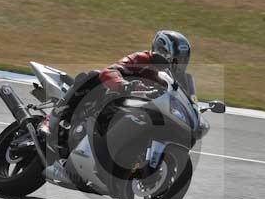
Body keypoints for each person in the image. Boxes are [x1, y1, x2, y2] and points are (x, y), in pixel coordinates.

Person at [43, 30, 192, 156]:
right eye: (176, 59)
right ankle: (52, 120)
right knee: (94, 75)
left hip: (140, 112)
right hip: (113, 98)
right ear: (163, 52)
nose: (179, 64)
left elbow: (187, 99)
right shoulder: (142, 58)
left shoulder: (176, 80)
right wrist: (123, 85)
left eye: (183, 60)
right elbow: (110, 71)